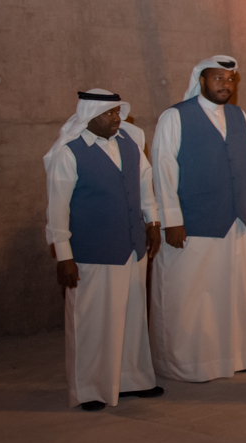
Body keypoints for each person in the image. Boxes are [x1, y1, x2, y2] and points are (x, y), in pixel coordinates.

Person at [149, 56, 246, 383]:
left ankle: (234, 357)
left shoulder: (240, 116)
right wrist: (171, 219)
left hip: (237, 220)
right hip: (194, 222)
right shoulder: (175, 116)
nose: (225, 85)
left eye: (230, 79)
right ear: (201, 80)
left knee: (234, 292)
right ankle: (186, 363)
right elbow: (163, 169)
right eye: (218, 78)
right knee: (192, 296)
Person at [45, 89, 162, 411]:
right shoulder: (69, 152)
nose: (116, 118)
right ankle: (90, 389)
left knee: (132, 317)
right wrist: (64, 256)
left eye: (117, 112)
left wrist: (153, 222)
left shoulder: (130, 143)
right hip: (92, 250)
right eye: (109, 113)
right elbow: (57, 208)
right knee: (92, 322)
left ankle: (133, 379)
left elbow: (145, 186)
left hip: (131, 247)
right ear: (89, 116)